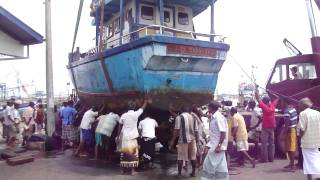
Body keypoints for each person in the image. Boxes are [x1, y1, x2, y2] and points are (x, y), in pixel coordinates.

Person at [117, 99, 150, 175]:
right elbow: (142, 108)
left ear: (127, 108)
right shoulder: (135, 114)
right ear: (134, 107)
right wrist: (145, 101)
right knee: (133, 153)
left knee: (124, 153)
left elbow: (120, 125)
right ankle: (132, 171)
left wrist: (118, 136)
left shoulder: (124, 115)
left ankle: (122, 171)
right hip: (132, 137)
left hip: (125, 137)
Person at [201, 101, 228, 180]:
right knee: (220, 167)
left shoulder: (218, 117)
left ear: (210, 108)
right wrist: (208, 145)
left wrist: (219, 146)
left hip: (216, 147)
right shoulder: (214, 117)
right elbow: (215, 134)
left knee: (208, 165)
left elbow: (223, 132)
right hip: (214, 145)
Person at [169, 106, 199, 178]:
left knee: (180, 157)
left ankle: (179, 174)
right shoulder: (194, 118)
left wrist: (172, 141)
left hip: (183, 140)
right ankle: (193, 172)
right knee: (193, 157)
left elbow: (176, 130)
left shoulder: (179, 117)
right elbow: (196, 131)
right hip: (192, 140)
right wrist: (197, 141)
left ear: (182, 110)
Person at [296, 98, 320, 180]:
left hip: (307, 143)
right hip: (317, 142)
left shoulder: (303, 114)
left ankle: (310, 179)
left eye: (299, 105)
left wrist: (299, 139)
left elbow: (302, 129)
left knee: (308, 164)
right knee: (316, 160)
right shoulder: (317, 113)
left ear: (303, 105)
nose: (298, 107)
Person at [255, 87, 279, 163]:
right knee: (272, 143)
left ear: (264, 102)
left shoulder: (264, 107)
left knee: (264, 144)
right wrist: (270, 92)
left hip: (265, 127)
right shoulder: (273, 105)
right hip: (272, 127)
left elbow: (257, 98)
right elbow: (277, 98)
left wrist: (256, 90)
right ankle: (271, 158)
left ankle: (264, 159)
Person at [281, 98, 298, 172]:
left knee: (290, 149)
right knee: (291, 148)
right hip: (293, 129)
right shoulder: (293, 109)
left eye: (282, 102)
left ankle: (292, 165)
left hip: (289, 131)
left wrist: (283, 134)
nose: (281, 104)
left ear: (285, 102)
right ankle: (291, 163)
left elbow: (286, 124)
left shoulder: (287, 112)